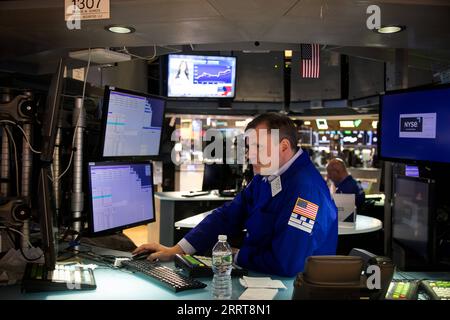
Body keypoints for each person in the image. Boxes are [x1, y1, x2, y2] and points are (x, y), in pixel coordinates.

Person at [133, 113, 338, 277]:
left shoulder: (306, 192)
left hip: (291, 287)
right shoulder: (268, 174)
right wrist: (178, 249)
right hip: (260, 276)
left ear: (283, 146)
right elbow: (229, 214)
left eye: (258, 147)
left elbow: (288, 263)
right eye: (249, 148)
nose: (249, 155)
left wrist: (235, 256)